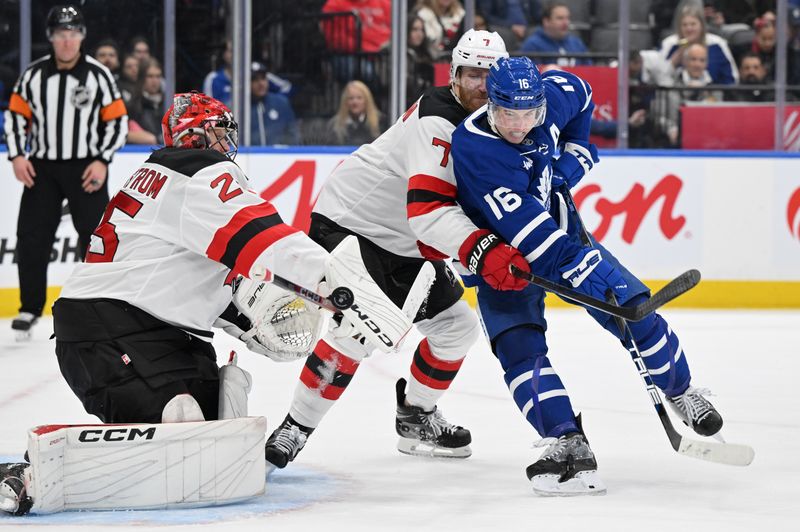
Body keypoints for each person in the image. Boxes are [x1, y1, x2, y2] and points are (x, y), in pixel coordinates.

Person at [0, 91, 415, 516]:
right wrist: (336, 286)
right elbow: (263, 235)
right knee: (184, 428)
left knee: (223, 437)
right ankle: (32, 475)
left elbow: (194, 274)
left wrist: (253, 323)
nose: (226, 143)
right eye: (219, 131)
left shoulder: (165, 179)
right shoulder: (197, 170)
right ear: (194, 135)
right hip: (108, 329)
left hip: (152, 332)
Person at [450, 56, 725, 496]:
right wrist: (579, 264)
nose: (520, 125)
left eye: (529, 114)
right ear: (490, 105)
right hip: (505, 259)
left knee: (636, 310)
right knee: (520, 350)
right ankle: (564, 436)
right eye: (509, 114)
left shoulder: (549, 100)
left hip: (564, 232)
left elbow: (582, 92)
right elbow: (530, 233)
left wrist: (577, 151)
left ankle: (679, 389)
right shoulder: (475, 147)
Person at [263, 29, 529, 471]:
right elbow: (428, 214)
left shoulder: (499, 123)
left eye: (489, 76)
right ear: (454, 75)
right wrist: (478, 251)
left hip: (405, 240)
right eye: (471, 74)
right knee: (359, 332)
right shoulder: (439, 120)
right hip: (352, 224)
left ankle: (416, 416)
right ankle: (296, 426)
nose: (480, 85)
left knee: (457, 329)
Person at [2, 4, 128, 341]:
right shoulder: (34, 75)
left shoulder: (98, 75)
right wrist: (16, 155)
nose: (67, 40)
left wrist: (102, 159)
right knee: (31, 238)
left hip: (86, 166)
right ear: (51, 37)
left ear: (82, 36)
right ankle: (30, 307)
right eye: (61, 33)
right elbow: (15, 116)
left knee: (97, 239)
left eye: (73, 33)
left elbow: (117, 122)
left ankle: (102, 305)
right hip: (42, 168)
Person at [660, 3, 739, 84]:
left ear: (702, 25)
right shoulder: (670, 43)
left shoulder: (717, 43)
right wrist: (681, 50)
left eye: (693, 24)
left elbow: (732, 77)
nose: (689, 28)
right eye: (684, 25)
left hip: (714, 93)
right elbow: (660, 76)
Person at [520, 1, 590, 66]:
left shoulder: (576, 43)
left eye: (567, 18)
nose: (566, 23)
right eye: (560, 18)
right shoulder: (532, 45)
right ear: (546, 21)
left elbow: (589, 69)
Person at [250, 62, 300, 145]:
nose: (261, 83)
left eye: (263, 78)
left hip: (278, 156)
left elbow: (293, 135)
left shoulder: (281, 103)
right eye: (255, 80)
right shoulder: (238, 106)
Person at [326, 80, 384, 145]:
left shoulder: (380, 122)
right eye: (351, 98)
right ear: (345, 102)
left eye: (359, 98)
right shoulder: (334, 125)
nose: (355, 102)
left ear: (366, 100)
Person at [127, 57, 165, 142]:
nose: (154, 81)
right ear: (142, 78)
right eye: (150, 76)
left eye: (158, 76)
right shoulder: (133, 106)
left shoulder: (168, 103)